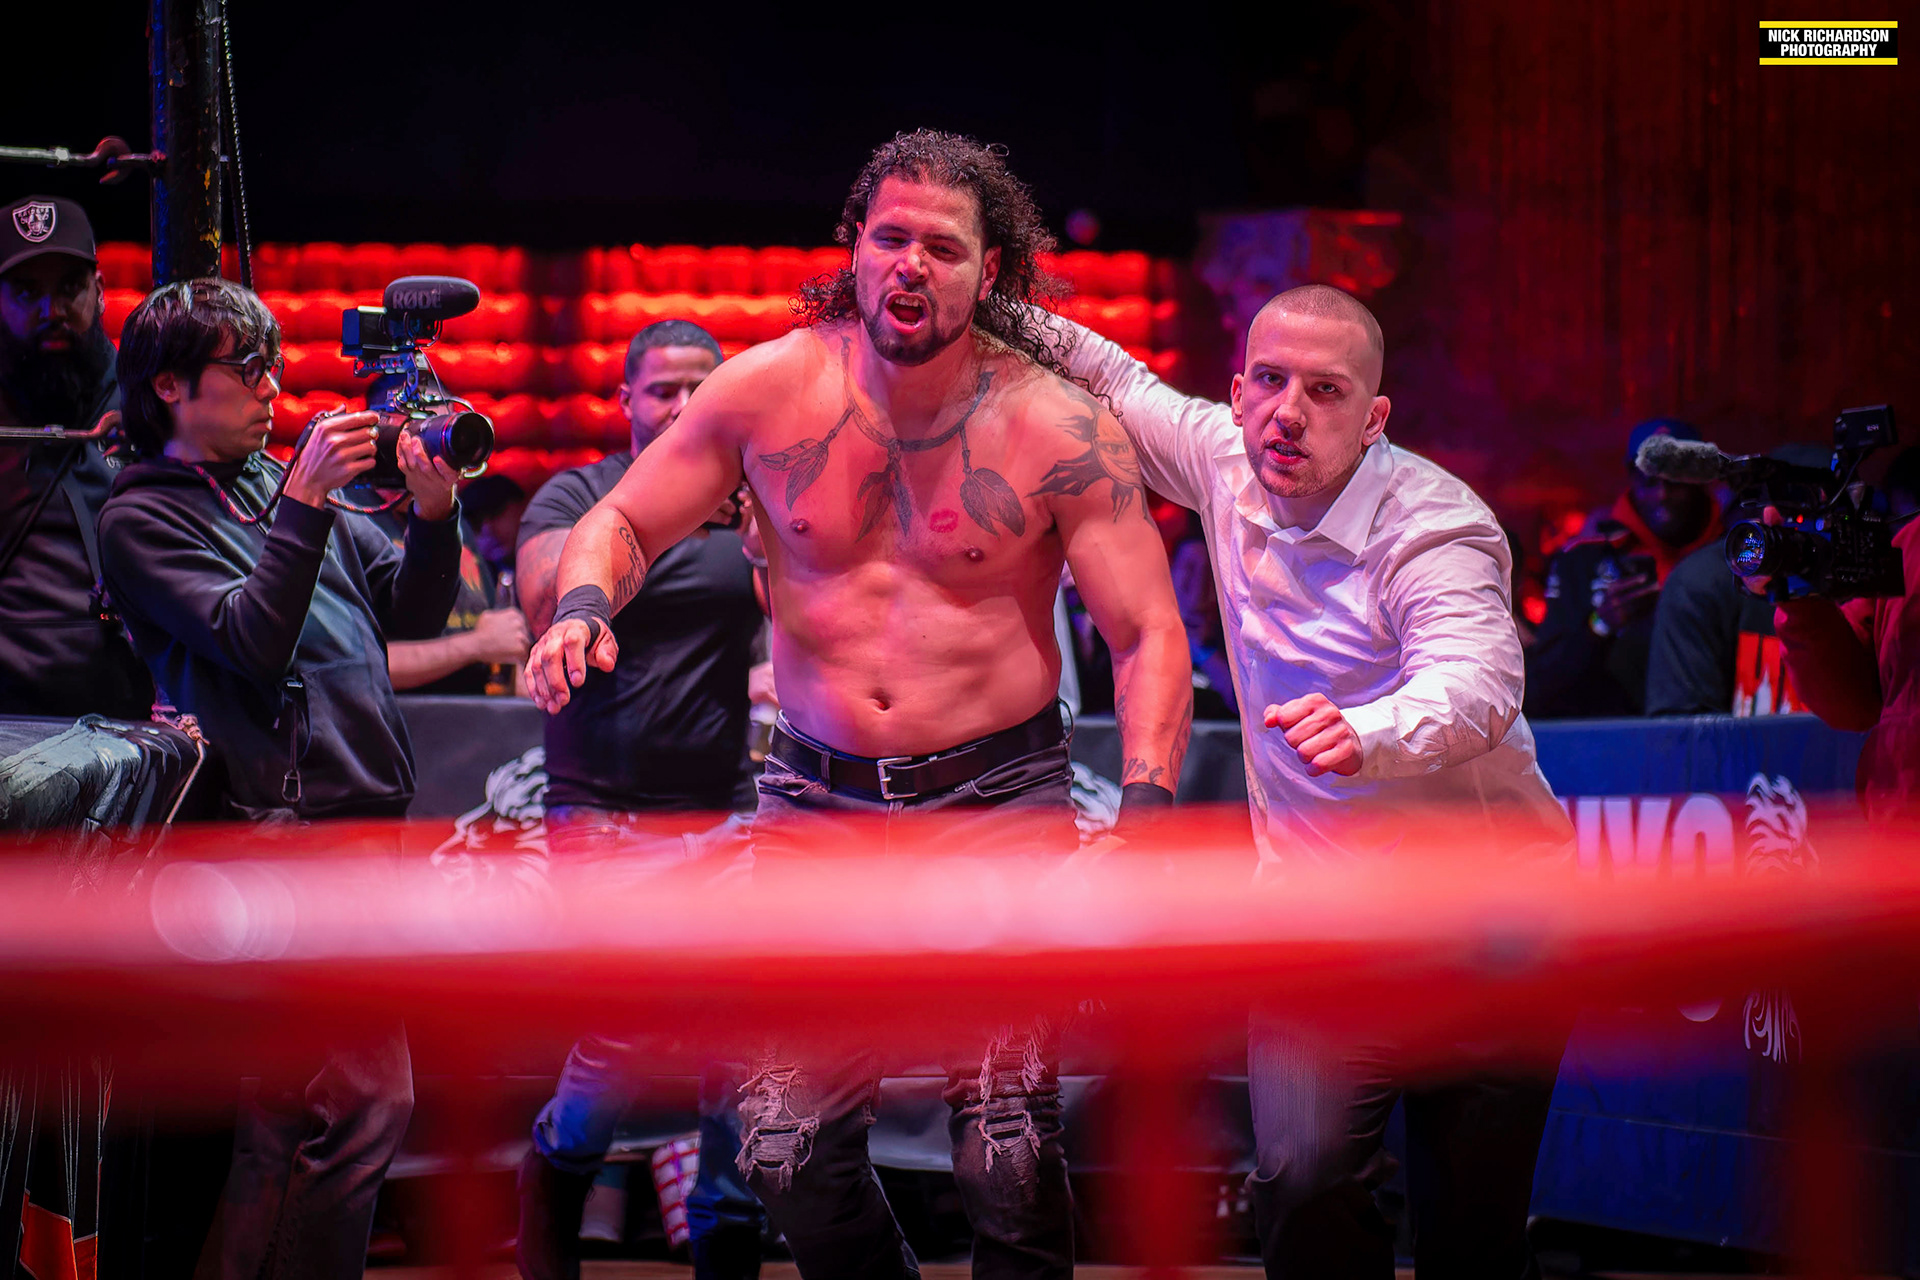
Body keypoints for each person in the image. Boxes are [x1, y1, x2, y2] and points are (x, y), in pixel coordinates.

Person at [526, 130, 1190, 1280]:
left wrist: (1145, 816)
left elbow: (1146, 633)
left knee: (1007, 1150)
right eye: (891, 238)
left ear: (991, 270)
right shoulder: (769, 390)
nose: (910, 264)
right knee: (781, 1149)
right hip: (816, 804)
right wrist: (582, 604)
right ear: (855, 247)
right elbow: (624, 517)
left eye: (943, 246)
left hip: (995, 801)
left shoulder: (1056, 424)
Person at [1046, 285, 1573, 1278]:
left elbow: (1479, 680)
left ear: (1374, 418)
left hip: (1493, 929)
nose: (1288, 412)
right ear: (1238, 392)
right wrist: (983, 293)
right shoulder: (1223, 458)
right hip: (1320, 925)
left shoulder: (1436, 525)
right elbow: (1111, 376)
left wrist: (1368, 727)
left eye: (1325, 391)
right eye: (1271, 382)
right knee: (1300, 1184)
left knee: (1472, 1240)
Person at [96, 278, 463, 1280]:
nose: (272, 388)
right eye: (248, 368)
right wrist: (304, 501)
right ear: (169, 385)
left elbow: (413, 611)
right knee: (365, 1103)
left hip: (357, 819)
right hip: (282, 832)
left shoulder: (268, 478)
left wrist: (435, 513)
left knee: (287, 1113)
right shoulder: (139, 517)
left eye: (275, 366)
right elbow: (251, 643)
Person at [512, 319, 766, 1280]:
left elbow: (803, 615)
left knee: (743, 1042)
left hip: (726, 808)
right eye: (663, 389)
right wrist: (661, 520)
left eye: (701, 388)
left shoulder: (749, 497)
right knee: (622, 1033)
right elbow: (545, 605)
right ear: (626, 399)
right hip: (604, 813)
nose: (682, 406)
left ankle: (727, 1233)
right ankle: (554, 1184)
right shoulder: (582, 496)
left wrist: (760, 536)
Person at [0, 194, 152, 719]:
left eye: (69, 288)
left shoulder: (153, 402)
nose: (52, 311)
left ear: (100, 292)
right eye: (27, 292)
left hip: (136, 712)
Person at [1524, 418, 1720, 718]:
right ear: (1632, 480)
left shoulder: (1731, 556)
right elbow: (1540, 687)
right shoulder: (1584, 558)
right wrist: (1600, 624)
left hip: (1711, 728)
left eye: (1675, 480)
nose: (1662, 494)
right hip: (1613, 734)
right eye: (1649, 480)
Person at [1645, 443, 1836, 717]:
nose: (1795, 527)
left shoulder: (1870, 578)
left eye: (1817, 515)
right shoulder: (1702, 583)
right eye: (1787, 509)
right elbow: (1682, 730)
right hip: (1735, 747)